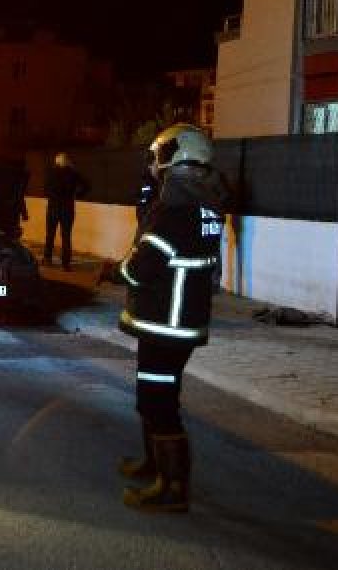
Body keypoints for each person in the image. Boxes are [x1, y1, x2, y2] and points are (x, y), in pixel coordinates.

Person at [117, 123, 226, 513]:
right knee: (157, 398)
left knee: (158, 403)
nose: (154, 164)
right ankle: (154, 466)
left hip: (165, 324)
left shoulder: (173, 210)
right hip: (182, 321)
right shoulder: (207, 204)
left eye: (158, 156)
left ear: (173, 159)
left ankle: (172, 488)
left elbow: (140, 268)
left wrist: (121, 268)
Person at [43, 152, 89, 270]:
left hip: (53, 208)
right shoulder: (73, 173)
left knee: (50, 235)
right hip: (67, 209)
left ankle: (47, 259)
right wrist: (78, 195)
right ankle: (65, 264)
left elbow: (46, 189)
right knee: (66, 237)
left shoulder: (52, 173)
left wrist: (52, 195)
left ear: (57, 161)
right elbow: (86, 186)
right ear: (67, 161)